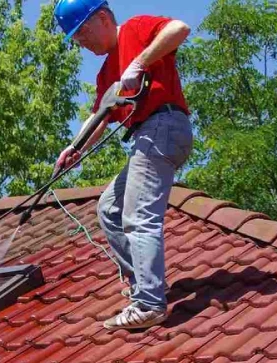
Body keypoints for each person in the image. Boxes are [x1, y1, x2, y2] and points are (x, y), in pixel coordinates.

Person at [53, 0, 194, 331]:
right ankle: (142, 285)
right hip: (148, 134)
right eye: (76, 39)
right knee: (110, 209)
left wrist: (141, 61)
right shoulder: (105, 74)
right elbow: (99, 116)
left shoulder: (136, 28)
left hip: (164, 126)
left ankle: (149, 302)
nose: (81, 44)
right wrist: (74, 148)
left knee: (138, 213)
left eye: (82, 34)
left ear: (102, 18)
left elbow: (179, 29)